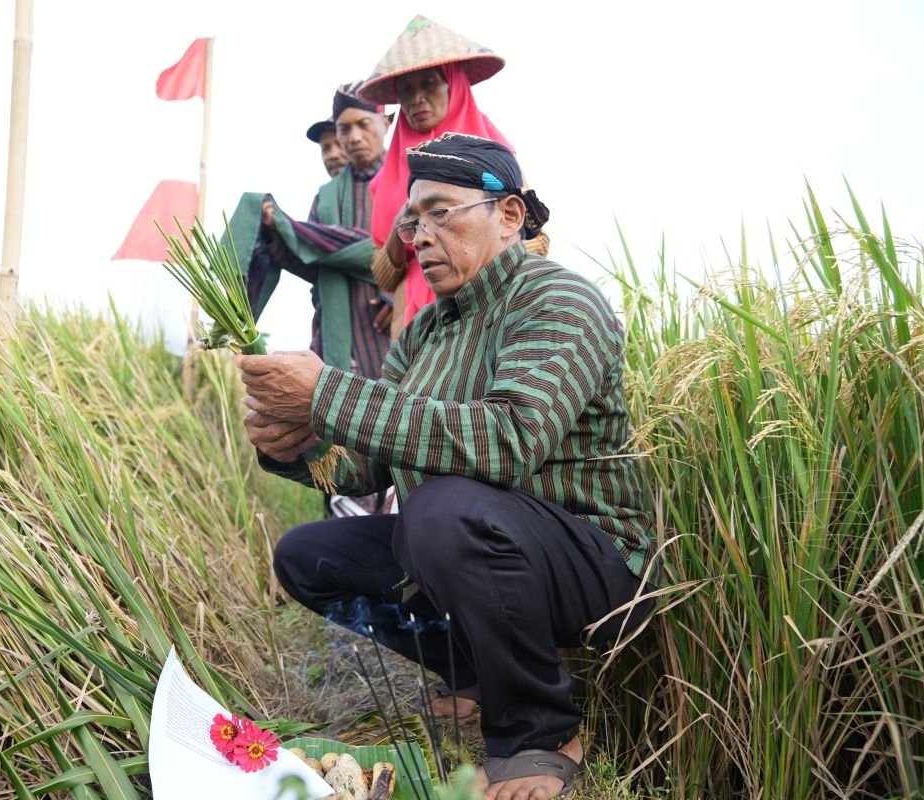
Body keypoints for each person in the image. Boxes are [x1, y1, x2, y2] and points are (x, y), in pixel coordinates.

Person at [236, 133, 654, 800]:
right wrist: (298, 444)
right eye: (411, 220)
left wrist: (328, 395)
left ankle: (539, 736)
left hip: (593, 564)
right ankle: (476, 675)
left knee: (442, 511)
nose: (418, 237)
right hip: (474, 541)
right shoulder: (427, 332)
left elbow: (509, 439)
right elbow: (363, 466)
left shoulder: (559, 302)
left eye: (440, 212)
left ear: (509, 216)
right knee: (309, 554)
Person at [357, 15, 551, 335]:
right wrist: (404, 221)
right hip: (415, 323)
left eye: (429, 83)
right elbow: (385, 276)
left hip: (490, 310)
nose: (417, 97)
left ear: (454, 84)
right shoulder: (387, 176)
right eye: (406, 89)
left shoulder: (495, 155)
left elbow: (536, 240)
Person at [224, 83, 392, 379]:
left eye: (362, 125)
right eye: (342, 131)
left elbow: (414, 247)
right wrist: (276, 234)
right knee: (336, 412)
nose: (351, 139)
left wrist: (395, 294)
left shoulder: (407, 176)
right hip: (334, 330)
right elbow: (313, 258)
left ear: (385, 123)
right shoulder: (325, 196)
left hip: (390, 324)